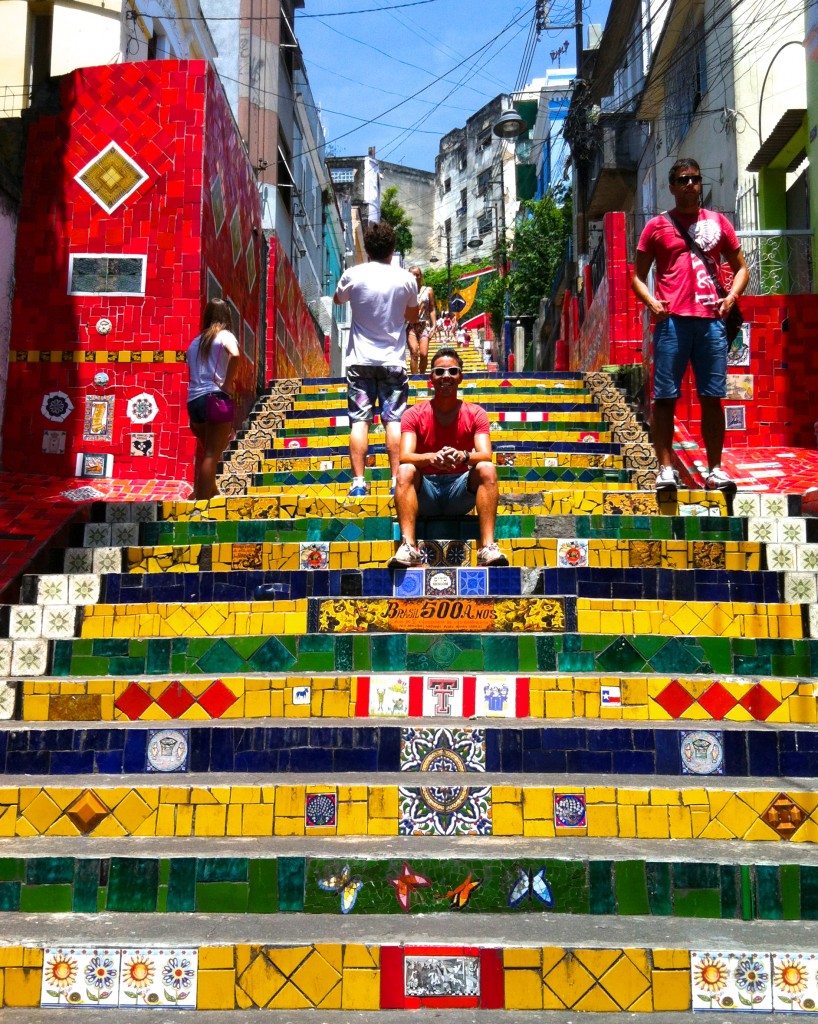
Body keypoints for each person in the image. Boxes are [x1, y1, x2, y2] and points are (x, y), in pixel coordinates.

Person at [632, 158, 749, 496]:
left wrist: (732, 297)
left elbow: (741, 268)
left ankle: (715, 470)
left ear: (700, 183)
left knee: (712, 399)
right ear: (672, 186)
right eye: (682, 179)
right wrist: (652, 303)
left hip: (711, 323)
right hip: (671, 323)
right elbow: (637, 277)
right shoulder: (657, 226)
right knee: (665, 399)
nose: (689, 185)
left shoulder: (718, 223)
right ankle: (665, 470)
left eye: (695, 179)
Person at [389, 347, 509, 567]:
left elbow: (486, 454)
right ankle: (408, 546)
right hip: (425, 493)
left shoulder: (476, 414)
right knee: (404, 470)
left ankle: (487, 547)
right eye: (440, 372)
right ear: (431, 378)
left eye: (453, 371)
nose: (446, 376)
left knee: (486, 468)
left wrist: (463, 456)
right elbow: (405, 456)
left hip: (459, 493)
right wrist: (432, 458)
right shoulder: (413, 414)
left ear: (460, 377)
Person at [334, 222, 419, 498]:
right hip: (393, 361)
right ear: (392, 250)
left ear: (367, 249)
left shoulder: (352, 274)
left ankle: (359, 482)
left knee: (360, 422)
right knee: (393, 421)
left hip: (360, 362)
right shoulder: (406, 279)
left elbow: (337, 299)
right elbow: (414, 317)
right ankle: (396, 481)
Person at [186, 298, 240, 501]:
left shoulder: (195, 342)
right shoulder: (225, 335)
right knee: (212, 454)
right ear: (226, 316)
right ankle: (199, 504)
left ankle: (212, 492)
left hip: (194, 402)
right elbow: (235, 355)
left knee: (208, 452)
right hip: (215, 398)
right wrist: (227, 383)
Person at [406, 265, 436, 375]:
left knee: (424, 354)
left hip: (424, 326)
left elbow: (432, 308)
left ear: (421, 276)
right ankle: (415, 379)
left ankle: (422, 377)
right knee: (414, 352)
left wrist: (434, 325)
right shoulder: (405, 291)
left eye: (417, 275)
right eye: (412, 275)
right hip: (411, 326)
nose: (414, 277)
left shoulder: (428, 290)